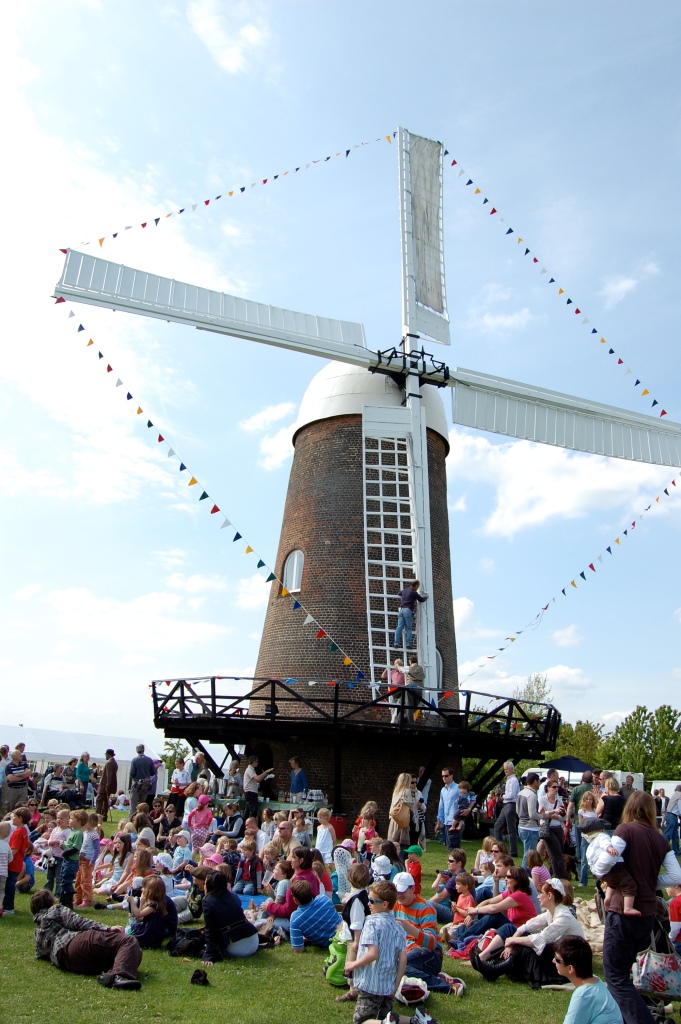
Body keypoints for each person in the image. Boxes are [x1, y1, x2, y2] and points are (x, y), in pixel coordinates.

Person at [603, 790, 670, 1024]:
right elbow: (676, 874)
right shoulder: (660, 838)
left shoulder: (625, 830)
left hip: (623, 913)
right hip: (647, 915)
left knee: (616, 977)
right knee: (625, 975)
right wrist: (649, 883)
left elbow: (607, 863)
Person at [470, 878, 584, 987]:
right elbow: (525, 926)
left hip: (567, 961)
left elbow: (540, 939)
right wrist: (510, 944)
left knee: (524, 947)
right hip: (558, 952)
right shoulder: (552, 912)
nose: (538, 897)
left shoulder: (563, 916)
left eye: (541, 894)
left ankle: (494, 968)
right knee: (513, 932)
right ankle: (489, 962)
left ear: (549, 896)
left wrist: (513, 940)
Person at [31, 888, 143, 989]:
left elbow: (40, 954)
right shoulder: (55, 910)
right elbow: (79, 922)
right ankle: (119, 976)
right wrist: (108, 928)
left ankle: (109, 975)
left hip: (68, 963)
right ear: (50, 902)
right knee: (128, 941)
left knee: (131, 952)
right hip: (75, 943)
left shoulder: (37, 933)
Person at [392, 870, 458, 994]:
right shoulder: (396, 905)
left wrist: (411, 929)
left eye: (402, 891)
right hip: (407, 952)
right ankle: (434, 977)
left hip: (430, 954)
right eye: (396, 891)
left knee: (398, 966)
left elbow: (432, 944)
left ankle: (445, 985)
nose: (399, 895)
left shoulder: (425, 908)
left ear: (412, 889)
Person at [554, 936, 623, 1024]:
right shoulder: (595, 980)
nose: (553, 961)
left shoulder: (583, 994)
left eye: (557, 959)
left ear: (570, 968)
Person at [200, 870, 259, 963]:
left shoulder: (207, 901)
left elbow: (210, 930)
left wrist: (209, 955)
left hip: (236, 948)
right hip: (254, 941)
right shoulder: (233, 896)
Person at [289, 878, 339, 952]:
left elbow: (298, 949)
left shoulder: (295, 918)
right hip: (343, 933)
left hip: (328, 942)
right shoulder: (324, 898)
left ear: (295, 900)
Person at [539, 777, 569, 879]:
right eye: (554, 787)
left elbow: (564, 817)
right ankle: (561, 877)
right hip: (548, 829)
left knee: (558, 854)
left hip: (558, 828)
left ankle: (553, 876)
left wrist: (555, 815)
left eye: (557, 787)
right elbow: (541, 814)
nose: (556, 789)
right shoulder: (542, 799)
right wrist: (554, 812)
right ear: (548, 788)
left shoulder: (559, 800)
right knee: (556, 855)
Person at [494, 761, 520, 857]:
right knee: (498, 826)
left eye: (507, 769)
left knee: (511, 829)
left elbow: (512, 795)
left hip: (511, 804)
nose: (505, 770)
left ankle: (513, 851)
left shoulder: (513, 780)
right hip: (506, 805)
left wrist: (503, 795)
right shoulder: (509, 780)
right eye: (504, 769)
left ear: (512, 769)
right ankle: (500, 849)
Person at [393, 579, 428, 650]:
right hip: (408, 610)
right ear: (416, 586)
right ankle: (408, 644)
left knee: (399, 627)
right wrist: (426, 597)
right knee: (408, 628)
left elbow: (399, 593)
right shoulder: (414, 592)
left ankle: (396, 643)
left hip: (401, 610)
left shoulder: (405, 590)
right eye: (418, 586)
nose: (418, 587)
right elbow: (421, 599)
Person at [517, 771, 541, 867]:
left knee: (527, 853)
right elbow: (532, 814)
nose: (539, 784)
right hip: (530, 827)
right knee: (529, 855)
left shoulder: (520, 793)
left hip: (521, 826)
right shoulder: (532, 795)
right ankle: (524, 876)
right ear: (535, 781)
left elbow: (517, 811)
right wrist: (544, 816)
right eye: (539, 781)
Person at [387, 773, 414, 853]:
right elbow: (411, 805)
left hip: (394, 819)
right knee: (401, 847)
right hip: (402, 819)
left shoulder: (396, 791)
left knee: (393, 845)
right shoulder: (407, 791)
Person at [435, 767, 460, 849]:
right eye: (442, 776)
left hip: (455, 821)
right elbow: (441, 807)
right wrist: (439, 822)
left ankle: (456, 861)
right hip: (446, 822)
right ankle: (454, 861)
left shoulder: (458, 788)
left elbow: (466, 801)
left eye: (446, 776)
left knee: (453, 846)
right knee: (449, 845)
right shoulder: (443, 790)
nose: (444, 778)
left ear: (451, 776)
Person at [128, 744, 155, 819]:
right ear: (144, 750)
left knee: (133, 805)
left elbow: (132, 773)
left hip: (136, 784)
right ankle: (141, 820)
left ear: (137, 750)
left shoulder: (135, 760)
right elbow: (153, 772)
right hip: (146, 785)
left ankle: (131, 821)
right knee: (142, 805)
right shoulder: (149, 760)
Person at [242, 755, 273, 819]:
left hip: (251, 792)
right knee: (253, 812)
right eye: (256, 761)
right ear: (252, 762)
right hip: (250, 793)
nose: (257, 763)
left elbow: (258, 779)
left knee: (248, 811)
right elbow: (258, 779)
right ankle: (250, 825)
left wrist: (265, 775)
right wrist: (265, 772)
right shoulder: (249, 770)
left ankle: (244, 825)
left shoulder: (252, 770)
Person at [381, 658, 407, 725]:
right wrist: (387, 668)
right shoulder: (393, 672)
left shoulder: (404, 672)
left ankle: (394, 721)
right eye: (395, 664)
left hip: (401, 691)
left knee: (399, 705)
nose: (396, 665)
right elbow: (383, 676)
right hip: (393, 691)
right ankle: (395, 720)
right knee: (393, 706)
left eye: (397, 664)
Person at [95, 749, 117, 821]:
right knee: (105, 801)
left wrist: (107, 787)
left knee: (99, 800)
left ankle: (98, 816)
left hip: (105, 786)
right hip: (108, 785)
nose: (105, 756)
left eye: (106, 755)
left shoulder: (109, 763)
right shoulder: (114, 762)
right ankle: (104, 816)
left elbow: (109, 776)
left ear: (108, 755)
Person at [663, 785, 681, 856]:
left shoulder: (675, 795)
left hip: (671, 815)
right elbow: (680, 807)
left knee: (674, 835)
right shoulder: (679, 795)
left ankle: (676, 851)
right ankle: (663, 849)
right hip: (673, 816)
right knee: (669, 834)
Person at [406, 656, 425, 722]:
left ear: (410, 661)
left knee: (409, 704)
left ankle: (410, 721)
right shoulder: (421, 668)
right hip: (419, 688)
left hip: (411, 687)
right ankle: (412, 718)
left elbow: (401, 669)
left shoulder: (409, 668)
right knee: (416, 706)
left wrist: (397, 665)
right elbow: (423, 676)